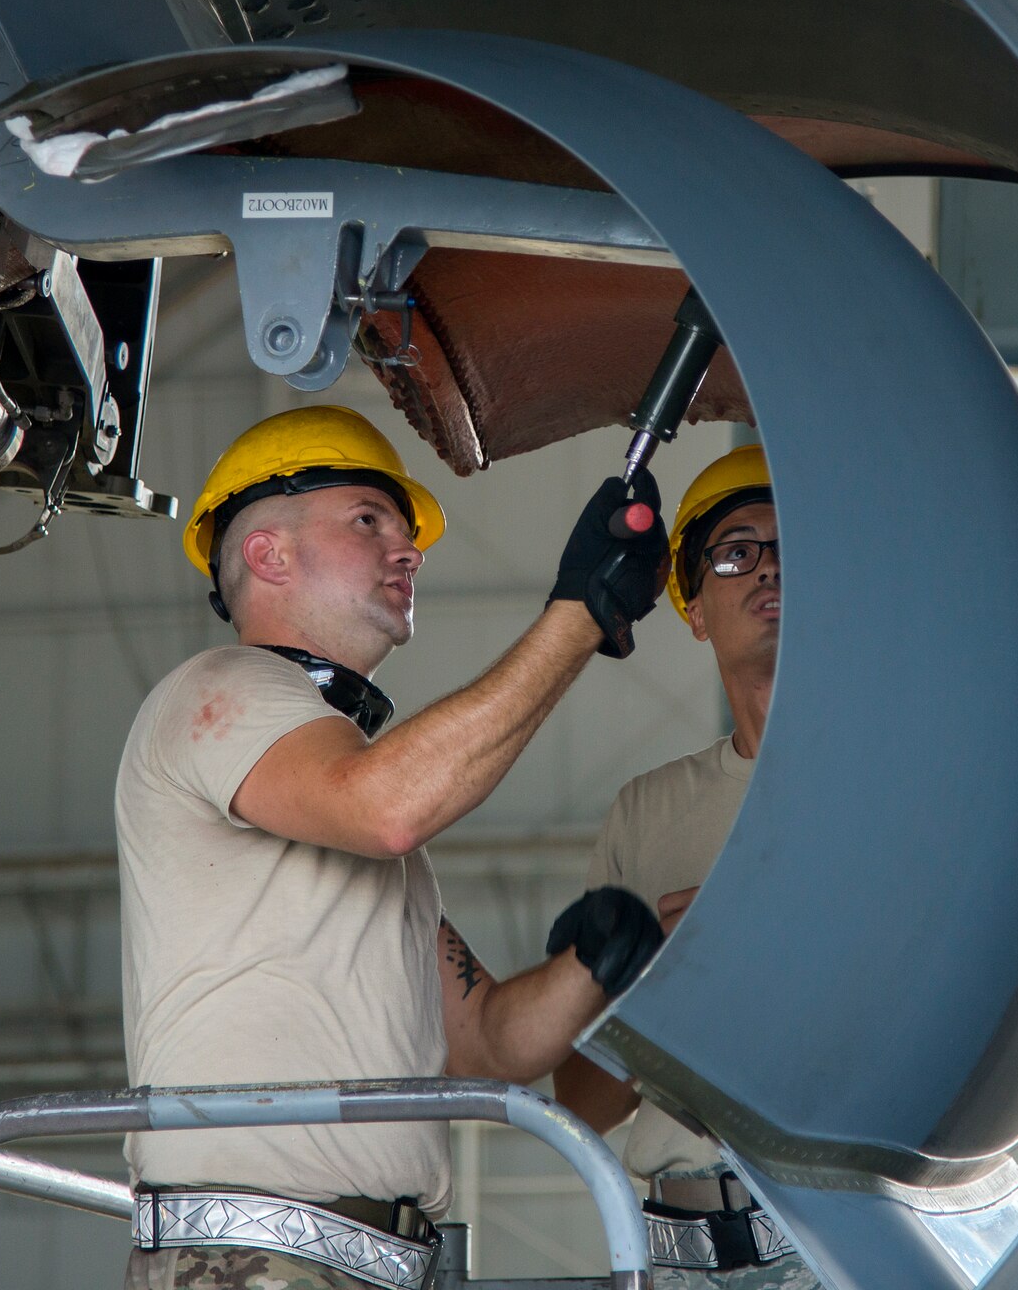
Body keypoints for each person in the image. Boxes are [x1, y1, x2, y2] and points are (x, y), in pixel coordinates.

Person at [117, 404, 673, 1290]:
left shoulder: (349, 822)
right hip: (256, 1258)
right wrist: (578, 615)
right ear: (267, 555)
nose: (408, 552)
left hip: (370, 1261)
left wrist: (600, 961)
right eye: (370, 522)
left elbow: (490, 1046)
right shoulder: (220, 690)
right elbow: (389, 805)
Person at [553, 444, 815, 1288]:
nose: (768, 571)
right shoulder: (647, 810)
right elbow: (583, 1106)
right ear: (694, 609)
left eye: (795, 550)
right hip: (679, 1254)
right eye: (736, 552)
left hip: (841, 1243)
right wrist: (658, 992)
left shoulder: (902, 790)